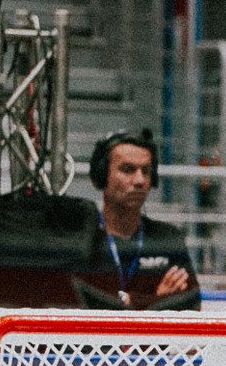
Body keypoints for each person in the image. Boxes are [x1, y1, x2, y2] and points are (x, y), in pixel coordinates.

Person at [84, 128, 197, 308]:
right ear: (100, 176)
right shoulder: (83, 238)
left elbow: (191, 304)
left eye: (145, 171)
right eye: (127, 169)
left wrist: (129, 302)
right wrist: (157, 301)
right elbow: (82, 305)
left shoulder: (167, 238)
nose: (139, 180)